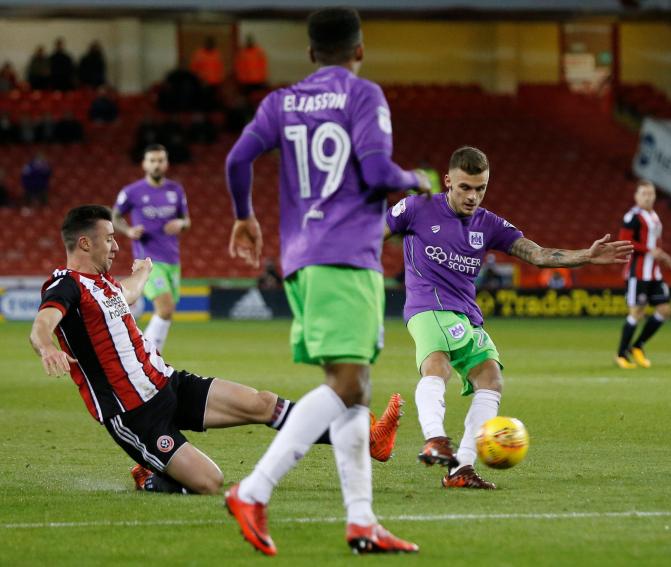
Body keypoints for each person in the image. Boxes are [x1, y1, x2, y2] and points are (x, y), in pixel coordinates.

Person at [222, 7, 430, 556]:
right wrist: (419, 180)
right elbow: (380, 172)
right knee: (346, 386)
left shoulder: (281, 102)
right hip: (344, 257)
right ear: (359, 50)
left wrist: (244, 214)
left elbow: (238, 157)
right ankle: (253, 489)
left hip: (301, 259)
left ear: (311, 53)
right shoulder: (363, 96)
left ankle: (362, 521)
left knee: (354, 389)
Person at [29, 205, 405, 496]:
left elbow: (126, 295)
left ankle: (367, 439)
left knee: (262, 402)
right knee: (210, 482)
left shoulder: (105, 284)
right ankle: (150, 473)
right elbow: (43, 324)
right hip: (135, 414)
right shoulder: (66, 286)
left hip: (169, 383)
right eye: (109, 238)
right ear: (84, 243)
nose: (115, 245)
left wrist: (142, 273)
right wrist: (47, 347)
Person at [386, 146, 632, 490]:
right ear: (448, 181)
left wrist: (585, 257)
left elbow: (538, 254)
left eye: (480, 188)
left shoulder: (488, 223)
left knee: (491, 378)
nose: (473, 196)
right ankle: (435, 438)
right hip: (427, 307)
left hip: (466, 314)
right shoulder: (416, 208)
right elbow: (371, 235)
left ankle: (462, 469)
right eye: (465, 187)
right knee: (437, 366)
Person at [112, 145, 189, 354]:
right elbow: (114, 216)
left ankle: (147, 355)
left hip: (173, 259)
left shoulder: (176, 190)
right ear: (144, 164)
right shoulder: (132, 192)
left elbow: (186, 220)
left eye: (160, 160)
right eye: (152, 160)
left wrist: (180, 224)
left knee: (168, 311)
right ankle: (145, 355)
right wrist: (127, 231)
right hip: (148, 260)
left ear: (166, 163)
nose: (157, 164)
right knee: (164, 308)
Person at [615, 180, 671, 369]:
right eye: (644, 194)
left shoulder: (654, 217)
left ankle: (637, 346)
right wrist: (650, 250)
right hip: (637, 273)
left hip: (654, 273)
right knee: (637, 313)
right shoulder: (632, 217)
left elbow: (655, 244)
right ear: (636, 196)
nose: (648, 197)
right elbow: (623, 242)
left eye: (651, 194)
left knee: (665, 310)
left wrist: (662, 256)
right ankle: (621, 354)